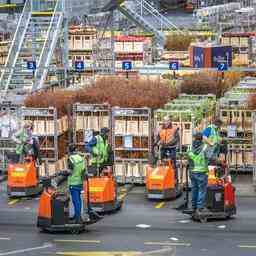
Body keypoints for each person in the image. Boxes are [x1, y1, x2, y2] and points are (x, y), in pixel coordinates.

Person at [187, 132, 209, 214]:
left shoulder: (189, 147)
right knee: (201, 190)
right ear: (202, 139)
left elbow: (188, 158)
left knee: (194, 189)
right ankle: (200, 208)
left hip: (192, 172)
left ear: (194, 138)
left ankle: (193, 207)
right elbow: (210, 157)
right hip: (202, 172)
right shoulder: (205, 147)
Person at [67, 144, 86, 224]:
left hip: (73, 182)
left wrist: (64, 172)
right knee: (79, 199)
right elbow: (83, 170)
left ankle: (78, 218)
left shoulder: (70, 159)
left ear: (70, 151)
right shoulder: (80, 158)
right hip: (80, 181)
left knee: (75, 200)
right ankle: (77, 215)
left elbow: (70, 171)